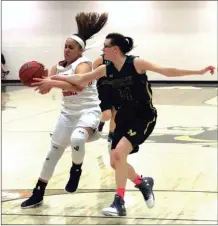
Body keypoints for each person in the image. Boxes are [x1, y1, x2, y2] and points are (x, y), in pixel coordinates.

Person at [32, 33, 215, 216]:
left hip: (143, 117)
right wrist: (53, 80)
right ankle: (142, 183)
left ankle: (119, 202)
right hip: (123, 118)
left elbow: (167, 71)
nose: (102, 50)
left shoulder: (136, 63)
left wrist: (198, 72)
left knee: (119, 154)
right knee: (115, 162)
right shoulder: (106, 69)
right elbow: (81, 80)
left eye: (105, 46)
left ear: (115, 49)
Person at [20, 12, 108, 209]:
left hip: (88, 111)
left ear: (80, 51)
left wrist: (53, 81)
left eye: (71, 47)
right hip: (67, 114)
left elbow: (78, 87)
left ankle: (76, 170)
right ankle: (38, 193)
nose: (66, 50)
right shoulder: (56, 67)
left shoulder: (83, 64)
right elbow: (46, 87)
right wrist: (39, 81)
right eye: (65, 47)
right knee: (52, 153)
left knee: (77, 139)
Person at [94, 54, 116, 143]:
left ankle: (111, 134)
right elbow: (92, 74)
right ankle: (101, 121)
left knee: (115, 113)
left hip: (117, 89)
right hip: (103, 89)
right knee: (107, 115)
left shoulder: (122, 60)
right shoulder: (100, 59)